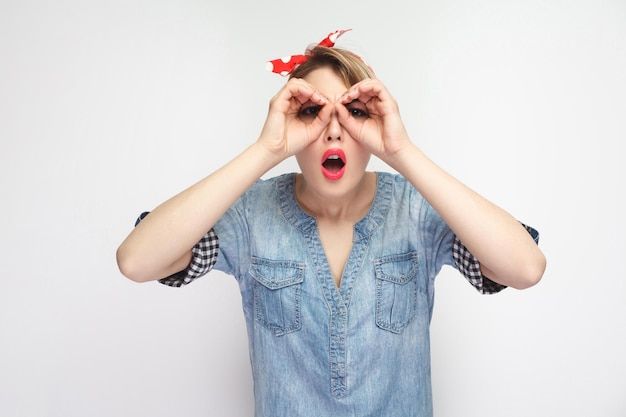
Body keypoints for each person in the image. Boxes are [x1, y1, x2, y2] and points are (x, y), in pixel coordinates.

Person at [116, 29, 546, 417]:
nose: (334, 131)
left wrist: (401, 152)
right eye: (312, 113)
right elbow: (137, 260)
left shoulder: (416, 210)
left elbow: (525, 268)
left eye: (356, 112)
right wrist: (266, 150)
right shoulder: (251, 216)